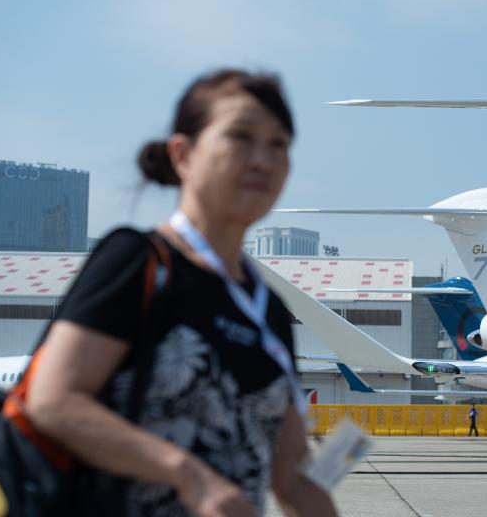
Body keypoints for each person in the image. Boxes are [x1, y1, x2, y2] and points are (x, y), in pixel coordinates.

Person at [24, 69, 338, 517]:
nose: (262, 159)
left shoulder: (268, 310)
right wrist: (187, 474)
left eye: (279, 144)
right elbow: (52, 401)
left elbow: (290, 476)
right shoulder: (138, 263)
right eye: (241, 136)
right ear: (183, 154)